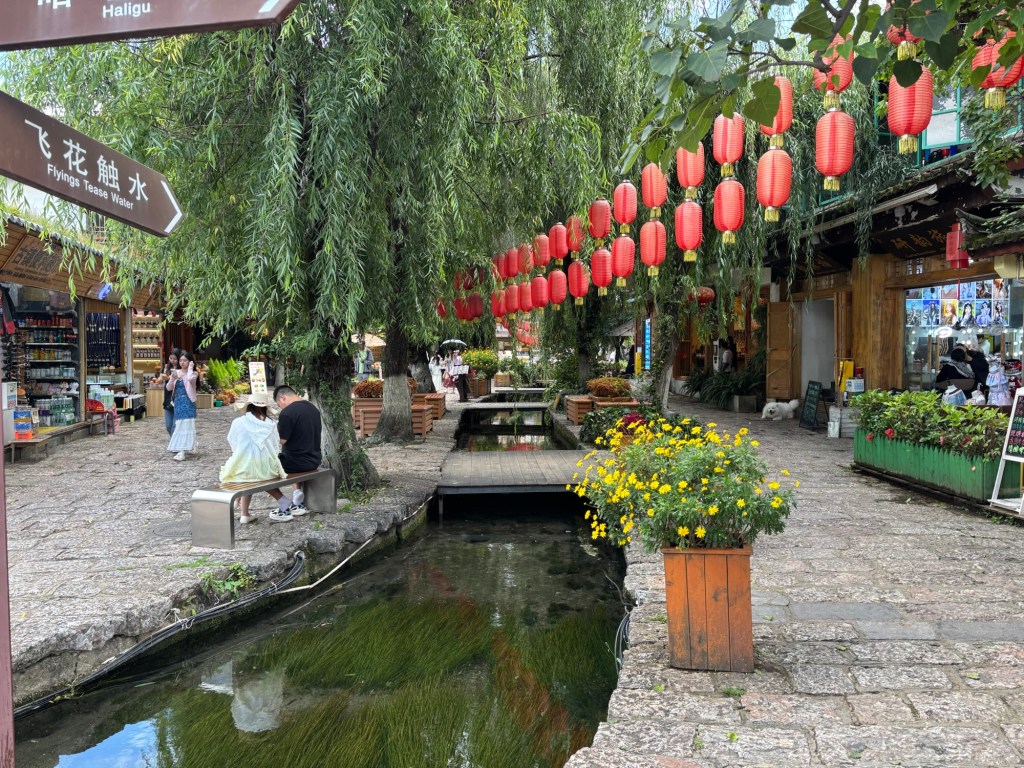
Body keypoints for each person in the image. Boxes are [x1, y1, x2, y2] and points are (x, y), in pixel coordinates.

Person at [219, 392, 288, 525]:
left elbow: (232, 439)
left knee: (247, 473)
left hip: (243, 466)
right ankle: (243, 511)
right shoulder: (271, 424)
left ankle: (243, 510)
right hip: (266, 467)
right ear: (265, 408)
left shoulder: (238, 422)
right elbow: (275, 445)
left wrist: (240, 453)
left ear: (248, 406)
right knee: (254, 475)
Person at [271, 385, 323, 522]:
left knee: (260, 467)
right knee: (293, 451)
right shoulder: (313, 409)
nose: (281, 408)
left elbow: (281, 440)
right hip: (314, 460)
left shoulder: (287, 413)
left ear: (283, 398)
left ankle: (283, 503)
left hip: (294, 463)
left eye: (279, 405)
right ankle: (297, 498)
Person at [166, 351, 198, 461]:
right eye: (181, 360)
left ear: (190, 362)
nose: (182, 362)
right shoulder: (176, 372)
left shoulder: (193, 373)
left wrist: (191, 368)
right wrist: (173, 378)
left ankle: (182, 451)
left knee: (186, 425)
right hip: (178, 402)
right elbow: (169, 388)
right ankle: (185, 447)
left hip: (188, 402)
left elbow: (190, 379)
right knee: (179, 425)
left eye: (185, 360)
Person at [155, 349, 181, 437]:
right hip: (168, 398)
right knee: (168, 425)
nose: (172, 361)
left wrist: (171, 378)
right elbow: (160, 380)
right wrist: (160, 379)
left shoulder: (181, 369)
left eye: (175, 359)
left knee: (175, 426)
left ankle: (174, 443)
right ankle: (174, 441)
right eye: (171, 358)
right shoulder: (167, 368)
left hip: (178, 398)